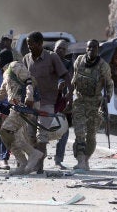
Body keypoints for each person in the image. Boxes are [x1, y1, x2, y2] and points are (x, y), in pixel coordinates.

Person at [23, 31, 71, 173]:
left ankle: (38, 166)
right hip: (31, 104)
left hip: (47, 103)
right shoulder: (26, 59)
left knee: (41, 135)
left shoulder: (52, 57)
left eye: (31, 44)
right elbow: (24, 80)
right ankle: (36, 163)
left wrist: (69, 95)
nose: (29, 46)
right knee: (30, 136)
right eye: (28, 44)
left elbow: (65, 75)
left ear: (40, 44)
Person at [0, 60, 44, 175]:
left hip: (24, 106)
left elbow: (28, 80)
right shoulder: (6, 75)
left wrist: (29, 96)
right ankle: (23, 163)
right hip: (16, 107)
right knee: (12, 136)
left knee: (6, 130)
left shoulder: (15, 65)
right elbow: (1, 93)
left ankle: (32, 154)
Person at [71, 39, 114, 171]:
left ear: (98, 50)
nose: (91, 50)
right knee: (79, 132)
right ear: (86, 48)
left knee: (91, 135)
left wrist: (107, 100)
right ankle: (81, 160)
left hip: (95, 104)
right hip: (80, 101)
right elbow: (74, 78)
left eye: (94, 48)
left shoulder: (103, 66)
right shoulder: (79, 60)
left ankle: (86, 159)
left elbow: (109, 84)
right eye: (89, 48)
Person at [53, 39, 73, 169]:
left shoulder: (67, 64)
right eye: (58, 48)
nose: (60, 50)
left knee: (64, 131)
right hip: (44, 100)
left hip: (59, 101)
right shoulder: (46, 60)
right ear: (54, 48)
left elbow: (68, 78)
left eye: (63, 49)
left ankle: (58, 160)